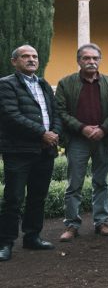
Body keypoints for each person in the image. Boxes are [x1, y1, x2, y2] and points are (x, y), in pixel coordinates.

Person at [0, 45, 62, 261]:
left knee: (38, 196)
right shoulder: (6, 84)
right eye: (25, 56)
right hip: (18, 151)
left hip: (45, 150)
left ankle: (32, 236)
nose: (31, 59)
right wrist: (42, 134)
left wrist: (54, 133)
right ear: (14, 61)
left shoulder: (44, 83)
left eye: (34, 56)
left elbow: (55, 113)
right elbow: (10, 115)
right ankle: (5, 243)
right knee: (14, 198)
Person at [55, 43, 108, 241]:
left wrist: (103, 129)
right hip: (77, 140)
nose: (91, 62)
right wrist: (82, 127)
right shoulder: (66, 83)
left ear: (100, 60)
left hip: (103, 139)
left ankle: (101, 222)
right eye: (86, 58)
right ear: (78, 61)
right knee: (74, 184)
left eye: (95, 58)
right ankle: (72, 225)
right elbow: (60, 111)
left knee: (101, 182)